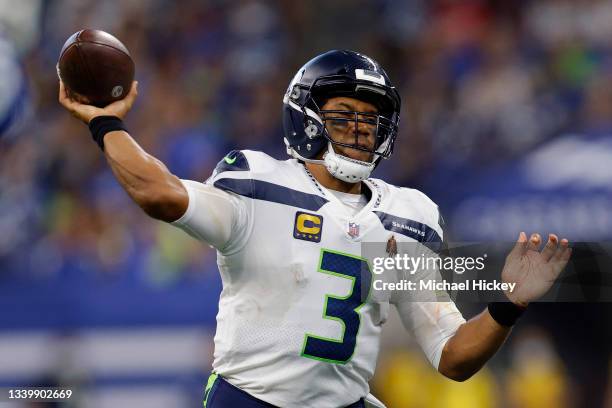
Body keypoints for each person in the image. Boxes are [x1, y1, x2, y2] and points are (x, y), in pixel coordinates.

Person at [59, 50, 572, 408]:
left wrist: (507, 304)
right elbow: (159, 193)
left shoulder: (408, 214)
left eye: (370, 119)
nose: (359, 128)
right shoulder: (259, 183)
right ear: (306, 116)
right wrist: (106, 122)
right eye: (344, 114)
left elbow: (453, 356)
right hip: (250, 401)